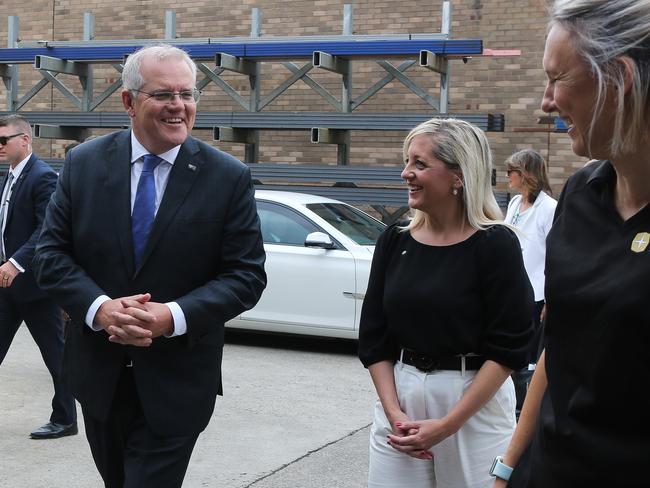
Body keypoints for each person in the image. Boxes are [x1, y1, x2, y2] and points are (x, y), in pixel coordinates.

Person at [33, 45, 267, 488]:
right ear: (129, 101)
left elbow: (246, 275)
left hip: (177, 381)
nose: (178, 106)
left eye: (187, 93)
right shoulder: (84, 163)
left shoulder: (226, 176)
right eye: (163, 95)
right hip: (99, 377)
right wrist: (99, 309)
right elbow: (50, 255)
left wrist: (171, 317)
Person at [492, 1, 650, 486]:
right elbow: (557, 352)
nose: (545, 101)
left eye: (556, 79)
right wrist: (507, 466)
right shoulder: (581, 195)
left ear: (619, 78)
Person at [358, 117, 535, 488]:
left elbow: (510, 346)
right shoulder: (394, 240)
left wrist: (449, 423)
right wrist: (394, 412)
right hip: (400, 404)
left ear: (458, 176)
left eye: (420, 164)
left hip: (474, 408)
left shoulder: (496, 244)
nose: (406, 173)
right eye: (407, 162)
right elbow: (374, 335)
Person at [0, 114, 77, 439]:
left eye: (3, 140)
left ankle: (66, 420)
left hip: (35, 288)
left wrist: (16, 262)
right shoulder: (8, 177)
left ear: (25, 140)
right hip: (6, 288)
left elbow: (45, 228)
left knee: (56, 356)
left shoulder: (43, 177)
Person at [504, 149, 557, 416]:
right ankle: (510, 404)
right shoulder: (514, 204)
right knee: (509, 349)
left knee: (527, 358)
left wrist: (550, 297)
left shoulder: (549, 208)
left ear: (525, 174)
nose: (507, 177)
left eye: (511, 171)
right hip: (512, 288)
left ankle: (523, 412)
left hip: (536, 292)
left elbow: (555, 254)